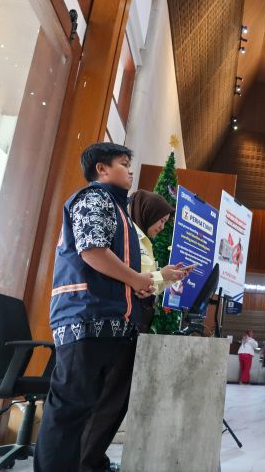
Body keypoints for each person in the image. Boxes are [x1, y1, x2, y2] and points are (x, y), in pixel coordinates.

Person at [34, 143, 155, 472]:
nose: (131, 170)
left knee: (84, 411)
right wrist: (136, 281)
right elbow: (93, 251)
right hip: (85, 318)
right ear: (101, 169)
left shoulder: (118, 209)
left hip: (105, 321)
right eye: (124, 163)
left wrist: (138, 286)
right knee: (69, 412)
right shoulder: (94, 198)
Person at [80, 189, 190, 472]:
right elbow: (134, 282)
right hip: (120, 325)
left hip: (135, 325)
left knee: (118, 400)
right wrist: (158, 277)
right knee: (109, 399)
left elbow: (146, 285)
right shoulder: (128, 238)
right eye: (161, 221)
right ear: (148, 213)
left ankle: (95, 458)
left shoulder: (143, 241)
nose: (162, 227)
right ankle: (87, 461)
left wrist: (167, 277)